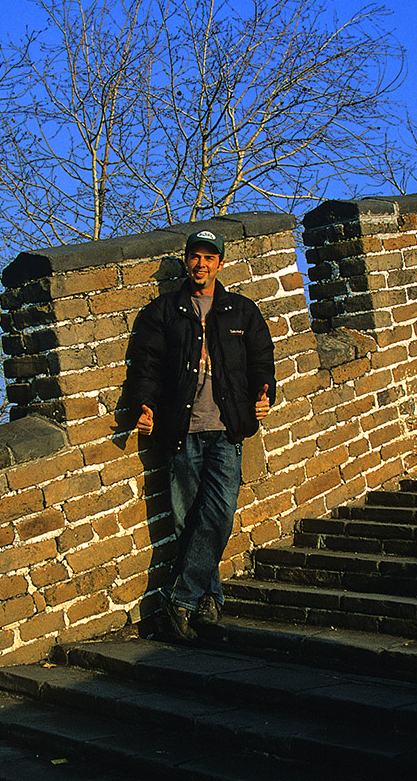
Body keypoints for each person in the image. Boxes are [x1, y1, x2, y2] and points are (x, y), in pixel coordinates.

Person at [130, 229, 276, 641]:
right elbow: (147, 366)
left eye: (209, 258)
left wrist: (265, 393)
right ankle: (208, 602)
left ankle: (177, 601)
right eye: (195, 257)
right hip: (180, 430)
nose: (202, 264)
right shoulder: (163, 312)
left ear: (220, 264)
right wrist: (145, 404)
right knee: (186, 522)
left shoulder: (241, 311)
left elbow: (261, 361)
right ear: (187, 261)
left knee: (217, 515)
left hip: (226, 428)